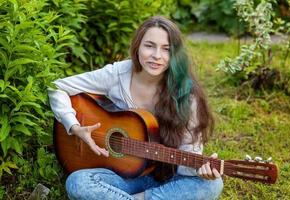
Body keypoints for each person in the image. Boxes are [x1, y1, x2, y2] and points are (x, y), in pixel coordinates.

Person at [48, 16, 223, 200]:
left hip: (166, 175)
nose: (157, 55)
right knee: (78, 182)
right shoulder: (118, 74)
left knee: (212, 184)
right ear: (137, 46)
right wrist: (75, 127)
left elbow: (189, 154)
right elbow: (57, 87)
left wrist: (199, 169)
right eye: (149, 45)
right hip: (121, 174)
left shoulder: (186, 94)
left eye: (166, 49)